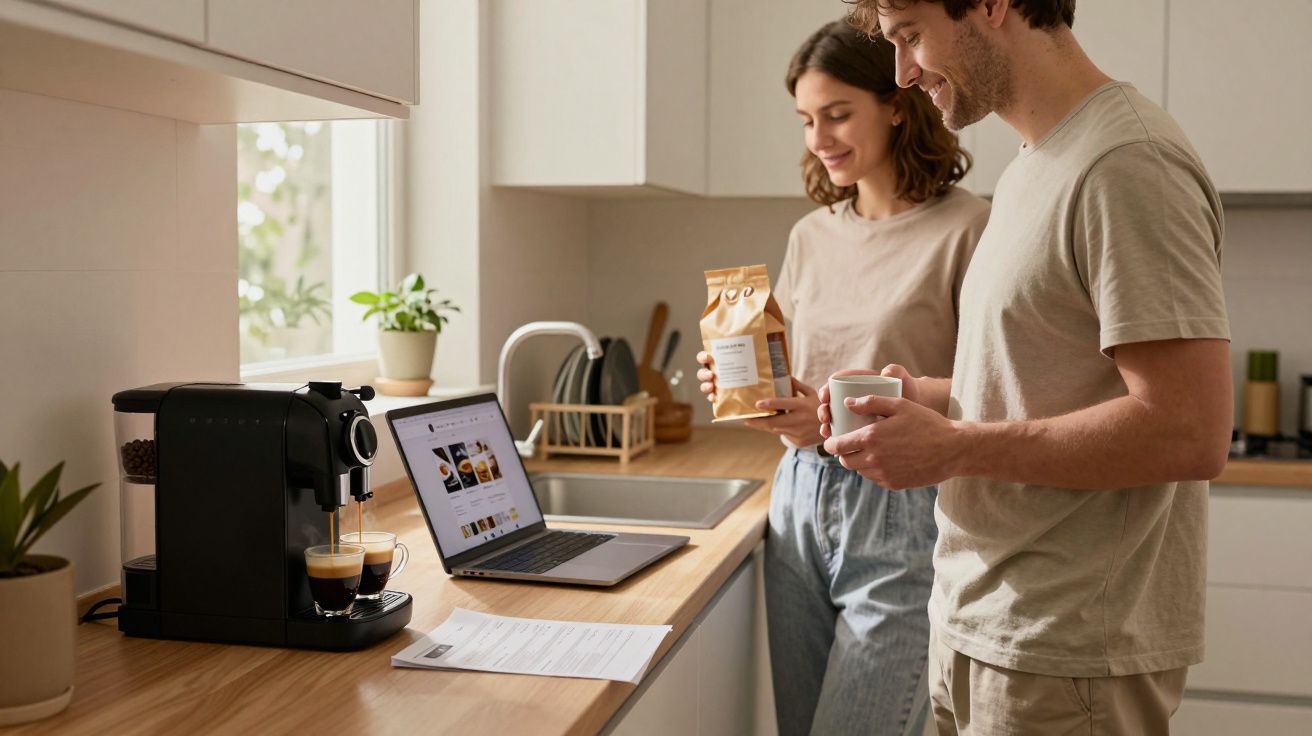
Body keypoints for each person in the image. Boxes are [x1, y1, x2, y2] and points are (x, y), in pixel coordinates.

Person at [821, 2, 1232, 734]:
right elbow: (1034, 380)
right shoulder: (1034, 164)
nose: (903, 73)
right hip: (975, 621)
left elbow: (1189, 431)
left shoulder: (1128, 163)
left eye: (911, 37)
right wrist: (923, 399)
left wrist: (955, 448)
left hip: (1064, 649)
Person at [697, 20, 989, 736]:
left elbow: (991, 383)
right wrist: (751, 388)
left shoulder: (969, 228)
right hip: (797, 499)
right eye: (806, 120)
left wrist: (843, 413)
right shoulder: (812, 234)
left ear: (896, 103)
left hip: (905, 512)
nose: (818, 138)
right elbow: (802, 377)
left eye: (836, 115)